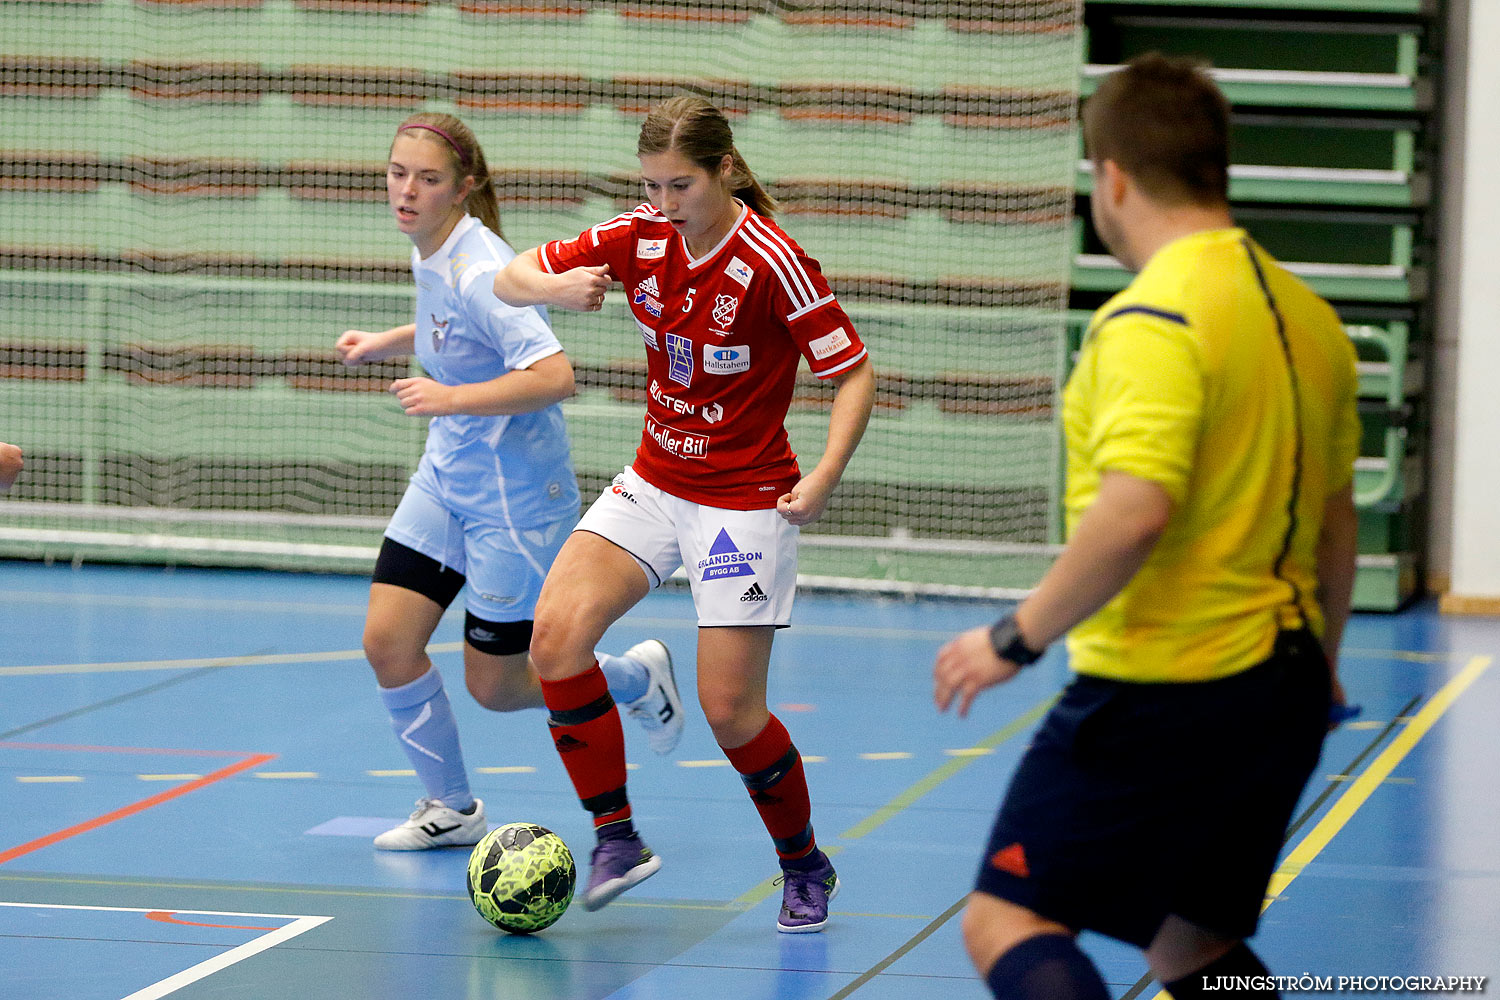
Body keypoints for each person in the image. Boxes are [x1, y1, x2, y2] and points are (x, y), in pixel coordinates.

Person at [932, 54, 1361, 999]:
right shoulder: (1312, 318)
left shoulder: (1155, 318)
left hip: (1173, 685)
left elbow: (1135, 512)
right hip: (1284, 691)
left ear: (1112, 177)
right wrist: (1321, 664)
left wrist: (1015, 635)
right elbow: (1337, 527)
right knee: (1187, 941)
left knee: (1008, 918)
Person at [492, 96, 875, 932]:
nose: (665, 205)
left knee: (731, 711)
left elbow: (852, 373)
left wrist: (824, 476)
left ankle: (804, 864)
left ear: (726, 171)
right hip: (654, 479)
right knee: (554, 639)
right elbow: (508, 274)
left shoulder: (774, 260)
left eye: (682, 187)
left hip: (743, 501)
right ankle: (617, 837)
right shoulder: (641, 233)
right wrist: (558, 285)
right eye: (653, 186)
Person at [336, 112, 685, 852]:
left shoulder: (479, 265)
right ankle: (452, 808)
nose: (406, 190)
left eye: (427, 179)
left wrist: (449, 396)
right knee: (387, 643)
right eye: (398, 173)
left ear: (464, 188)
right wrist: (389, 342)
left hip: (515, 499)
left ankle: (632, 679)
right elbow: (447, 322)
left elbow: (555, 375)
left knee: (496, 688)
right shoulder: (432, 249)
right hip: (447, 476)